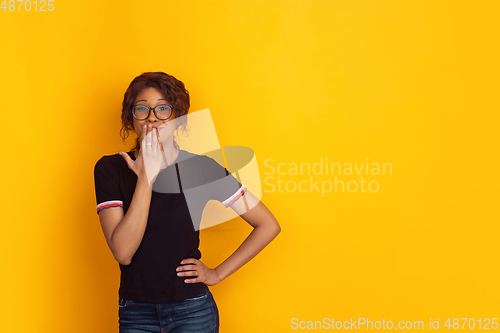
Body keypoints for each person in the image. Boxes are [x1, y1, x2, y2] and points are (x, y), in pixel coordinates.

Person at [93, 71, 281, 333]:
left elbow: (268, 225)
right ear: (130, 117)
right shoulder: (111, 168)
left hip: (192, 311)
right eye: (142, 109)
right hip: (136, 311)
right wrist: (146, 177)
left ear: (178, 117)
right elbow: (123, 253)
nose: (152, 118)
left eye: (163, 109)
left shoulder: (200, 168)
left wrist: (216, 274)